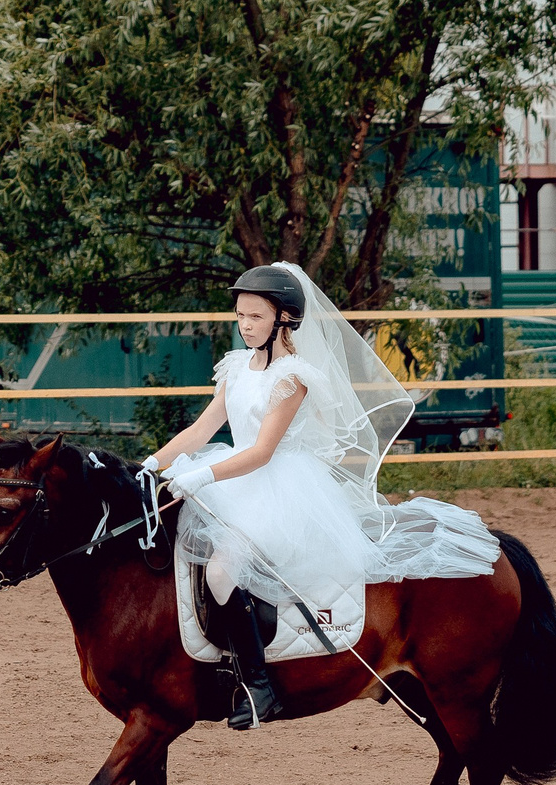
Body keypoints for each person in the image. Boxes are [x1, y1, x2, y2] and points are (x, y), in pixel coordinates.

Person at [144, 262, 498, 728]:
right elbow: (203, 427)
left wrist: (203, 477)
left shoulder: (293, 376)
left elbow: (263, 451)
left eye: (254, 317)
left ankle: (259, 686)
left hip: (278, 487)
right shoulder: (236, 367)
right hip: (234, 478)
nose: (244, 325)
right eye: (240, 315)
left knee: (222, 570)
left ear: (284, 319)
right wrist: (154, 462)